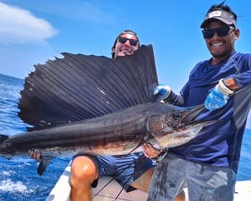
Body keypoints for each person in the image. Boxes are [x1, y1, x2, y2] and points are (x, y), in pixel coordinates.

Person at [31, 30, 185, 201]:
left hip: (133, 160)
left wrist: (158, 152)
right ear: (114, 47)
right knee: (79, 174)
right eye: (123, 40)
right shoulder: (93, 85)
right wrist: (44, 147)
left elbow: (170, 122)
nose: (127, 44)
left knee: (176, 194)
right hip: (95, 154)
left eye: (133, 43)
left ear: (137, 50)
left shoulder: (148, 88)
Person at [145, 2, 251, 201]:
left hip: (214, 165)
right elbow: (183, 104)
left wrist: (230, 84)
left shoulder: (244, 63)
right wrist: (167, 94)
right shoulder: (198, 68)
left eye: (221, 31)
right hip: (175, 156)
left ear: (235, 33)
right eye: (208, 33)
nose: (215, 37)